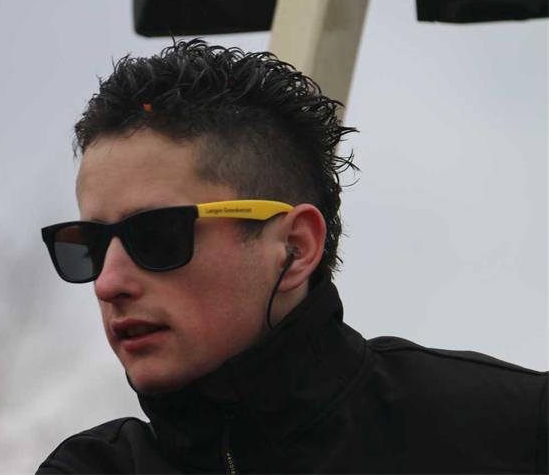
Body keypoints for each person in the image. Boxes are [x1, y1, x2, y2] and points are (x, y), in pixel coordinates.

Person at [36, 39, 547, 474]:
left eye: (156, 236)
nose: (108, 283)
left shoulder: (514, 434)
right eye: (91, 246)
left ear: (296, 247)